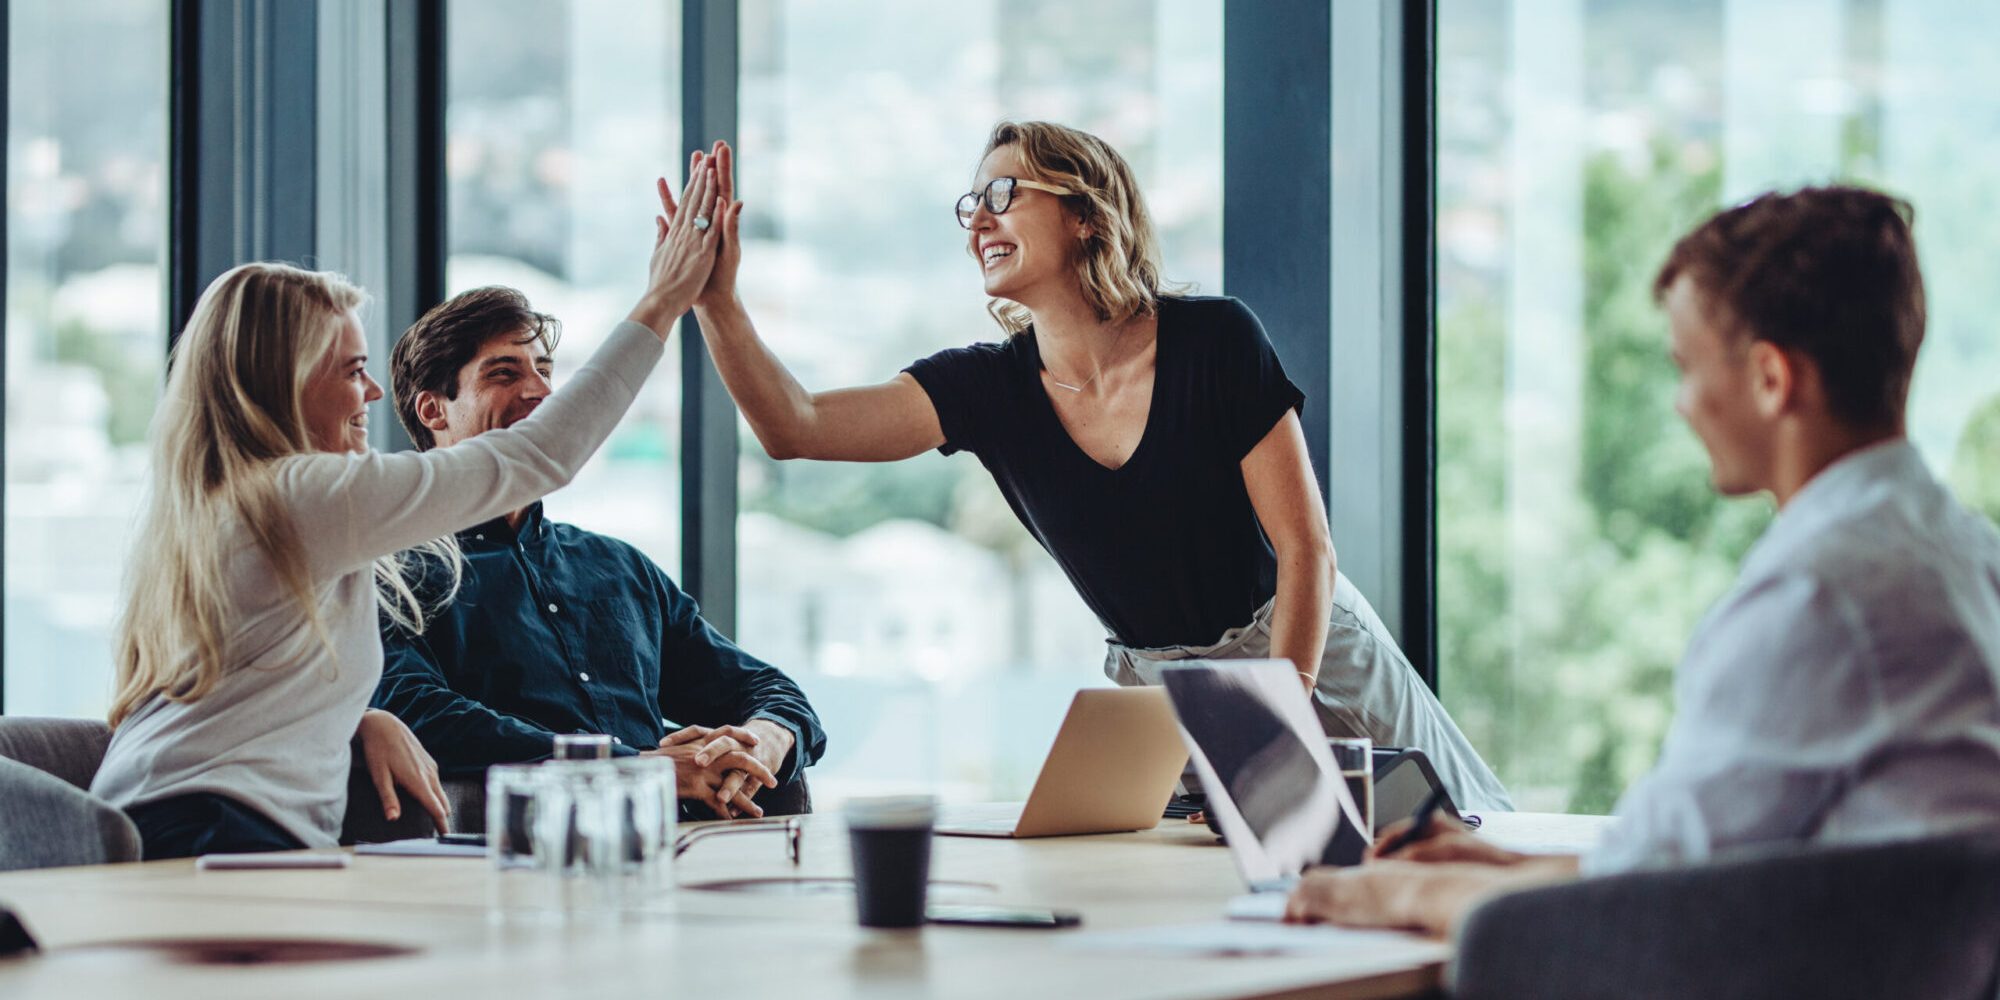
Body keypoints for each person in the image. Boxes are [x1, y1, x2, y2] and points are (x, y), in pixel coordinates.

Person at [671, 121, 1510, 811]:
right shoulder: (986, 388)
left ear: (1084, 213)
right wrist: (718, 302)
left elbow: (1306, 551)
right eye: (971, 205)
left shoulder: (1215, 339)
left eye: (1005, 194)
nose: (979, 221)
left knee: (1462, 845)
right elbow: (795, 425)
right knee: (1212, 902)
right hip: (1163, 697)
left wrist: (1272, 721)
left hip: (1307, 649)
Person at [1285, 186, 2000, 935]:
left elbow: (1645, 906)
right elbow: (1686, 859)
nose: (1682, 405)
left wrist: (1392, 896)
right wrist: (1499, 865)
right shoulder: (1960, 552)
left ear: (1770, 379)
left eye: (1688, 369)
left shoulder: (1820, 591)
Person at [89, 156, 727, 858]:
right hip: (210, 830)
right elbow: (539, 457)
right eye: (351, 370)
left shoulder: (229, 504)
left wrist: (361, 718)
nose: (372, 395)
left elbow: (248, 684)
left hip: (168, 817)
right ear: (284, 381)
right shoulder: (298, 496)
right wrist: (662, 303)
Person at [372, 286, 826, 820]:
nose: (541, 391)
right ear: (433, 409)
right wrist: (632, 766)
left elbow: (766, 687)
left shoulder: (618, 566)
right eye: (504, 373)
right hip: (516, 855)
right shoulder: (392, 571)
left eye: (544, 369)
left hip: (679, 853)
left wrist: (765, 739)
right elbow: (417, 712)